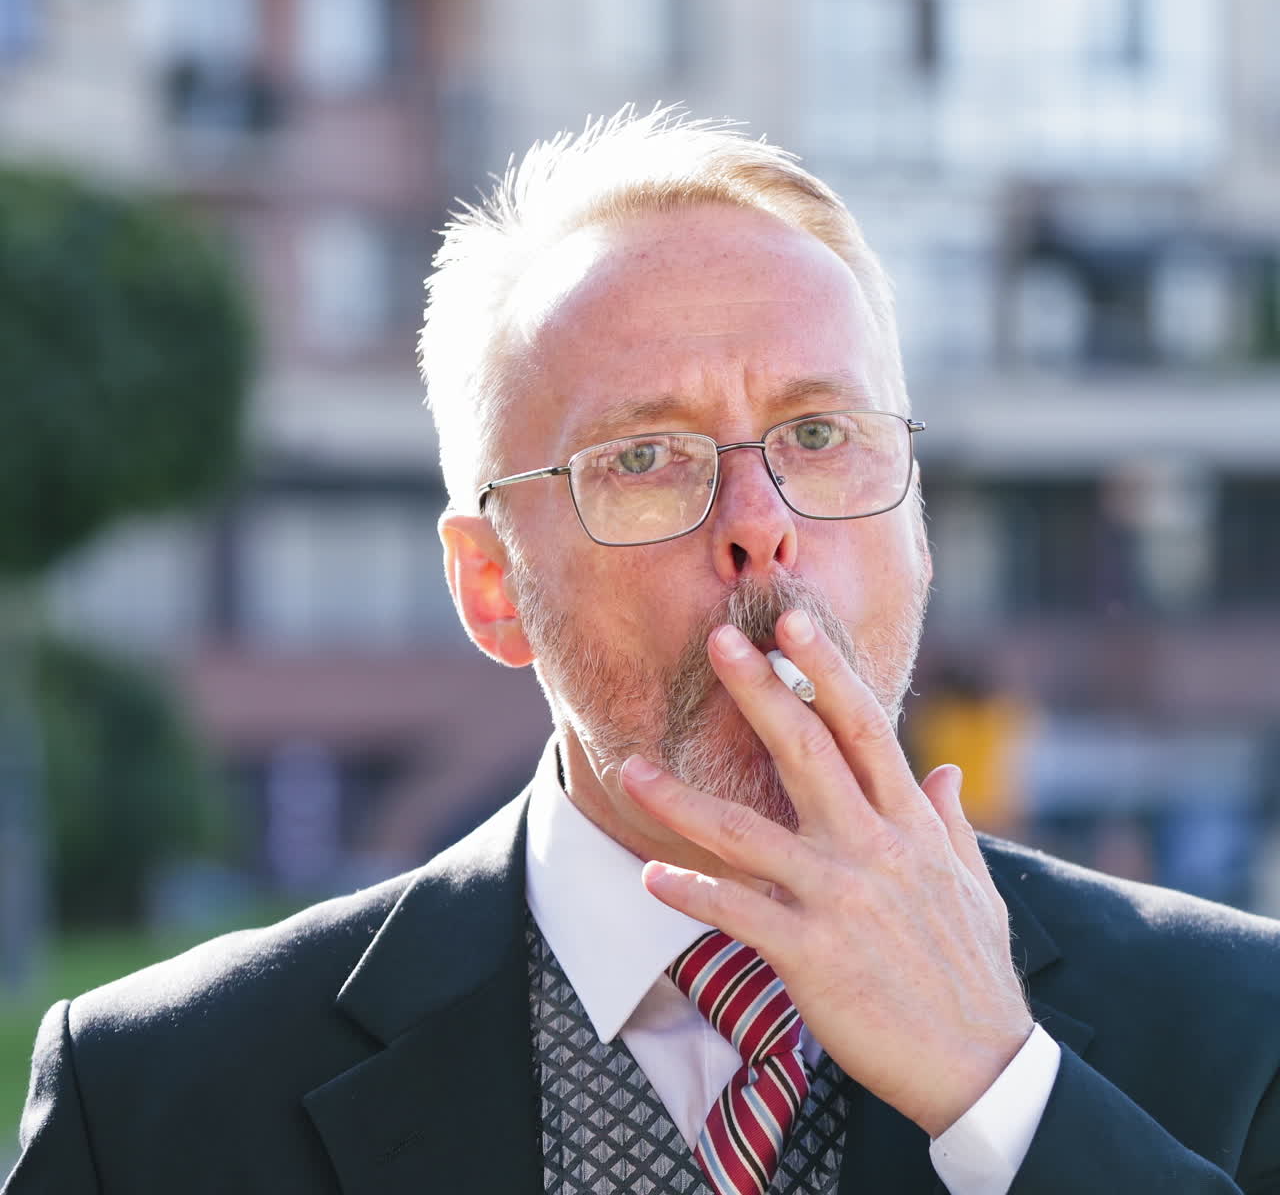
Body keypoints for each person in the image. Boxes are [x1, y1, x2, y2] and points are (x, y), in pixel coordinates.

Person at [6, 107, 1280, 1195]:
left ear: (921, 518)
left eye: (821, 433)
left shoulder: (1244, 1027)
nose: (759, 527)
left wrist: (999, 1095)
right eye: (642, 458)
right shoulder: (154, 1101)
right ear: (490, 582)